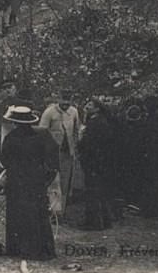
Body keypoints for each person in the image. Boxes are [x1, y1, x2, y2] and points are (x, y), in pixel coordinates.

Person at [0, 106, 59, 273]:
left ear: (14, 122)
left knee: (18, 212)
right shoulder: (40, 136)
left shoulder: (11, 138)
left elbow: (4, 159)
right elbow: (52, 156)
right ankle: (42, 250)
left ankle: (19, 248)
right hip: (36, 180)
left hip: (17, 180)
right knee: (38, 212)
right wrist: (46, 174)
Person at [39, 90, 82, 216]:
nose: (65, 103)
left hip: (67, 154)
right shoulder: (49, 112)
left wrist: (74, 147)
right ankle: (50, 210)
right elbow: (42, 132)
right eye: (63, 99)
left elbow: (76, 131)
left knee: (65, 182)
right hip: (51, 154)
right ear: (59, 99)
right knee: (52, 181)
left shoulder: (73, 112)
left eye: (68, 100)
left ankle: (60, 212)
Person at [77, 98, 115, 230]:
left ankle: (94, 222)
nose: (87, 107)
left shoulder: (95, 123)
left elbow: (90, 144)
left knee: (92, 192)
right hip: (101, 163)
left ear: (97, 108)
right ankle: (106, 220)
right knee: (101, 192)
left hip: (94, 163)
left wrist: (80, 143)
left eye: (90, 105)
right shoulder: (100, 121)